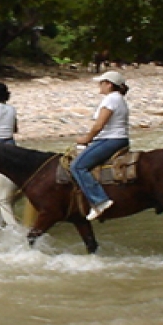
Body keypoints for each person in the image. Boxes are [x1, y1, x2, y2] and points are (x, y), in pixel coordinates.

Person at [70, 70, 130, 220]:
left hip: (110, 139)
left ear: (109, 84)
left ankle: (99, 201)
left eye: (101, 83)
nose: (99, 85)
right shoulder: (118, 99)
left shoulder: (110, 99)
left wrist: (86, 139)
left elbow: (99, 125)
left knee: (77, 166)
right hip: (118, 138)